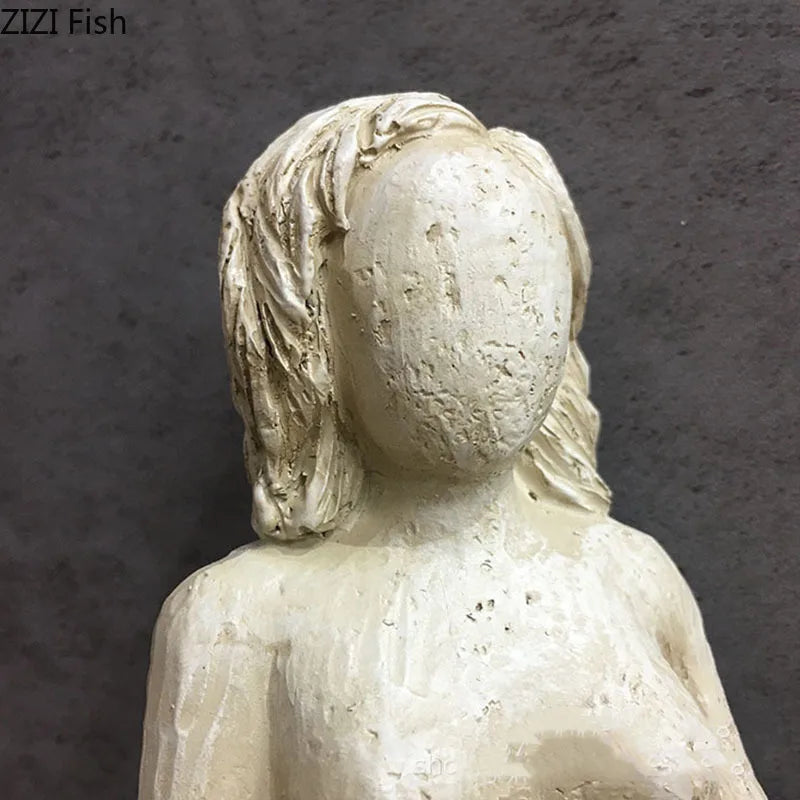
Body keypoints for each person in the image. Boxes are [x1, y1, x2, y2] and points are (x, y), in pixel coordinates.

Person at [138, 93, 766, 800]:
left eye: (525, 278)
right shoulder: (238, 621)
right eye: (429, 284)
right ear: (309, 327)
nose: (498, 333)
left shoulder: (634, 576)